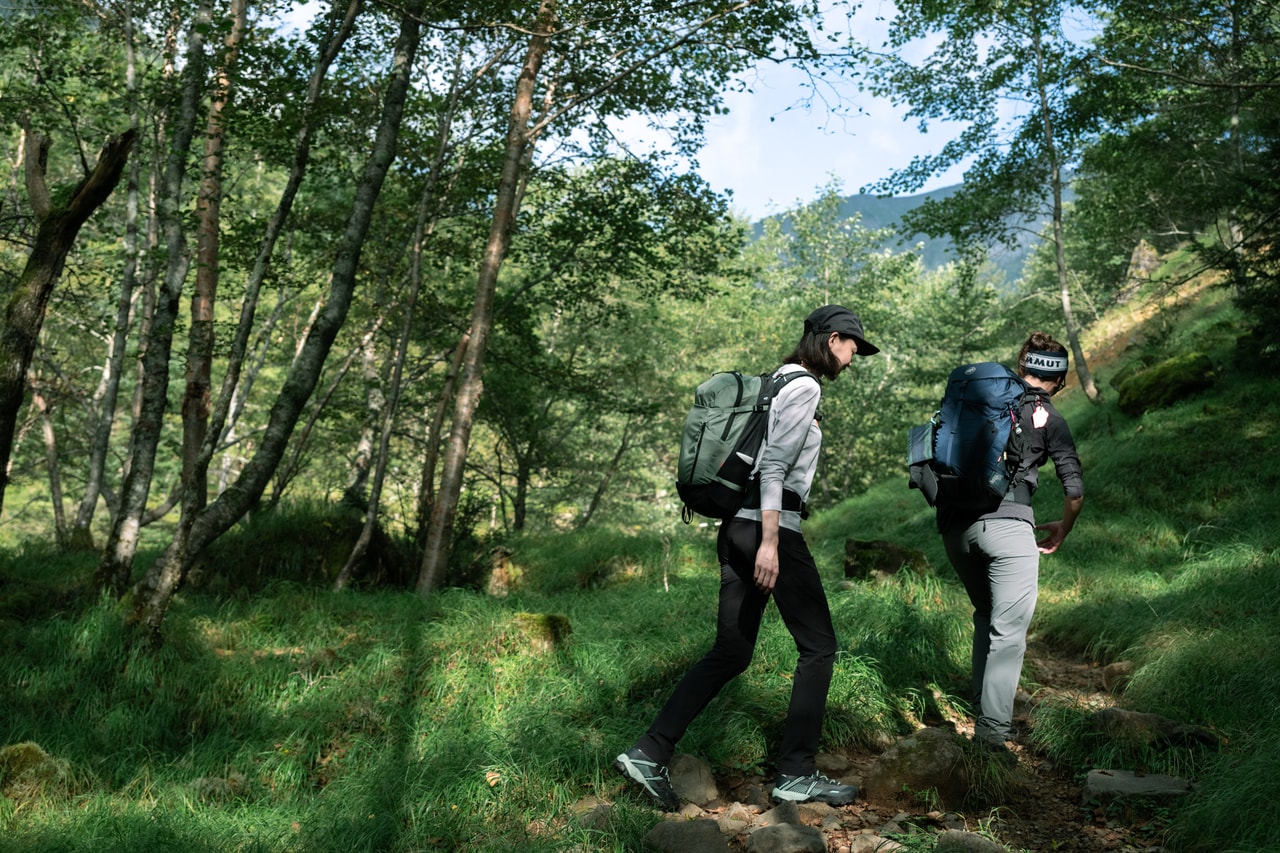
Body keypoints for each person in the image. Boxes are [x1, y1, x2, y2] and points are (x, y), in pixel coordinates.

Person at [614, 304, 880, 811]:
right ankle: (796, 774)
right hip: (764, 527)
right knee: (819, 648)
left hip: (735, 525)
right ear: (832, 340)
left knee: (731, 653)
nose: (853, 359)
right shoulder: (805, 386)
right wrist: (773, 543)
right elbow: (776, 465)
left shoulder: (774, 381)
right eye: (853, 347)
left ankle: (649, 752)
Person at [939, 332, 1084, 761]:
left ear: (1021, 368)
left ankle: (982, 712)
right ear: (1058, 381)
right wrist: (1063, 528)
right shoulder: (1050, 418)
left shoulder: (980, 403)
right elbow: (1074, 491)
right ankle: (991, 737)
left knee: (986, 614)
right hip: (1010, 529)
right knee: (1009, 633)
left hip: (955, 529)